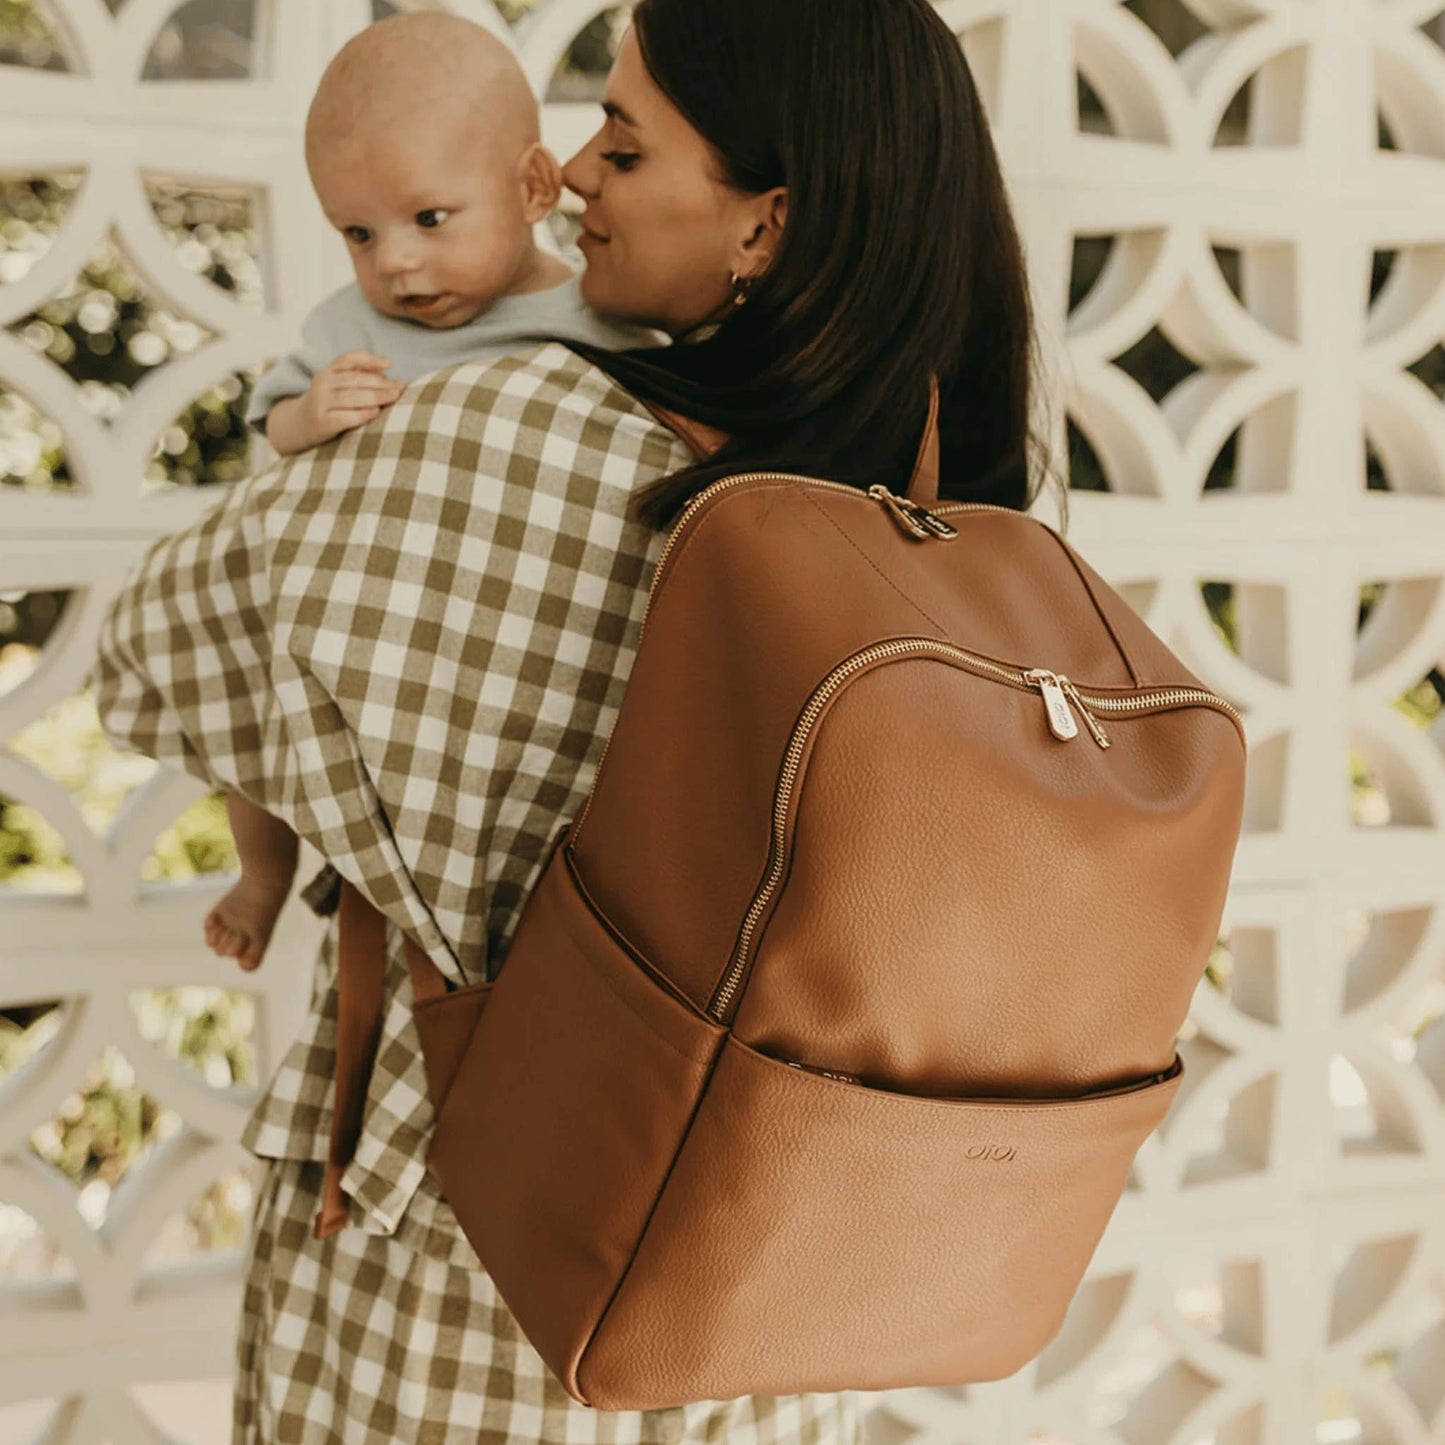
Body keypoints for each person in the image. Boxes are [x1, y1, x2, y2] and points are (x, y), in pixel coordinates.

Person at [86, 0, 1053, 1437]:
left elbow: (154, 650)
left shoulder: (530, 427)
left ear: (761, 225)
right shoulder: (926, 508)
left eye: (626, 136)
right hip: (756, 1260)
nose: (576, 170)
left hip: (480, 1228)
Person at [206, 12, 659, 976]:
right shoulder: (348, 321)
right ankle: (261, 873)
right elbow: (272, 419)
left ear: (534, 187)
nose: (396, 263)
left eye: (428, 220)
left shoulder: (598, 316)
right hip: (365, 612)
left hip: (499, 630)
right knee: (240, 708)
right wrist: (313, 413)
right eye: (358, 233)